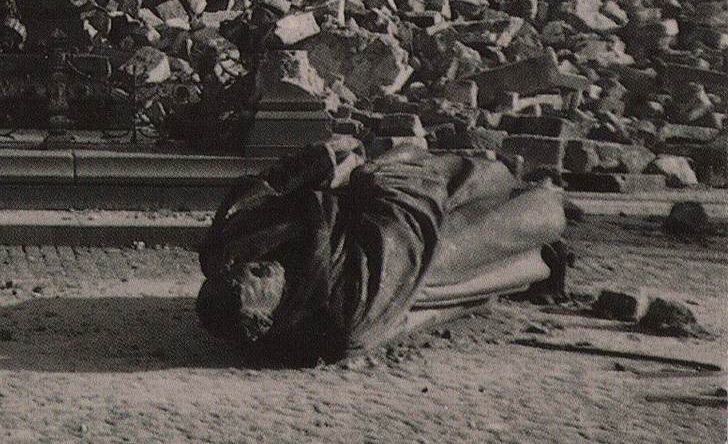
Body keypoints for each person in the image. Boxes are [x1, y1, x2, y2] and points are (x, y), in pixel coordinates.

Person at [196, 141, 567, 364]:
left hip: (362, 205)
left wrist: (314, 163)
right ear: (265, 322)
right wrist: (369, 178)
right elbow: (403, 225)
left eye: (245, 269)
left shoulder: (235, 248)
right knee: (521, 213)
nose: (258, 267)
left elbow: (256, 193)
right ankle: (529, 196)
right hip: (415, 234)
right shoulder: (345, 306)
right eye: (258, 281)